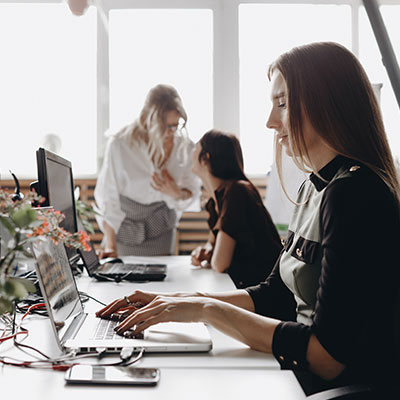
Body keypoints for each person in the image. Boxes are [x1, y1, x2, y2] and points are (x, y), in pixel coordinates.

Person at [96, 42, 400, 396]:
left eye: (282, 104)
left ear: (327, 103)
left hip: (326, 388)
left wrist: (207, 309)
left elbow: (326, 356)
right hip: (300, 376)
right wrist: (179, 302)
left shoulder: (355, 194)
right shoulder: (314, 188)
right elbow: (277, 294)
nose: (270, 121)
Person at [94, 84, 201, 257]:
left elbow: (192, 192)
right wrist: (111, 248)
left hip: (161, 230)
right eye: (164, 126)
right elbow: (108, 199)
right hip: (122, 231)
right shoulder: (120, 145)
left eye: (175, 125)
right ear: (146, 119)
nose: (172, 132)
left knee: (160, 281)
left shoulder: (185, 148)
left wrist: (177, 193)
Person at [190, 129, 282, 288]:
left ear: (205, 158)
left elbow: (220, 264)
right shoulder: (216, 200)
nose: (191, 152)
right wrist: (205, 250)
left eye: (195, 147)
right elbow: (212, 244)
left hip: (265, 292)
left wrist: (211, 255)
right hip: (245, 286)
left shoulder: (237, 191)